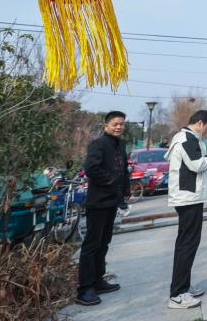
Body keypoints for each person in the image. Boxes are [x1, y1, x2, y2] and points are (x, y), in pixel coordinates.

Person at [165, 110, 207, 309]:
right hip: (187, 198)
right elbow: (197, 165)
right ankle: (177, 294)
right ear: (200, 123)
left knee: (188, 243)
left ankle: (184, 286)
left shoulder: (189, 138)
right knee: (187, 244)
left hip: (190, 198)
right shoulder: (186, 139)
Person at [75, 111, 130, 306]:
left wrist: (125, 189)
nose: (119, 127)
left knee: (104, 242)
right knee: (91, 244)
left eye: (121, 124)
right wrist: (111, 181)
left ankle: (98, 281)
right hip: (98, 202)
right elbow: (91, 168)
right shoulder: (98, 144)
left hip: (112, 201)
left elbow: (123, 169)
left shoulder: (120, 145)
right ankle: (84, 289)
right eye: (115, 124)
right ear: (106, 125)